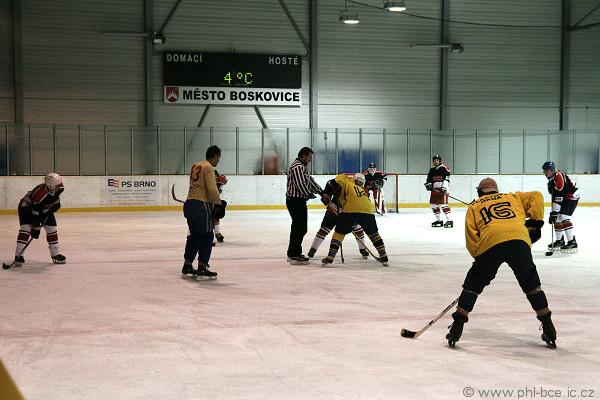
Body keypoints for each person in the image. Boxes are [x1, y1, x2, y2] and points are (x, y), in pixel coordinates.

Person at [445, 177, 556, 349]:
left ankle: (456, 328)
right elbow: (537, 196)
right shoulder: (512, 197)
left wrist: (480, 263)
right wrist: (535, 224)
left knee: (473, 285)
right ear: (496, 190)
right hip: (519, 240)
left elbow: (471, 238)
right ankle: (549, 327)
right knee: (531, 285)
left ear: (479, 192)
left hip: (491, 241)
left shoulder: (474, 206)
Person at [321, 173, 389, 267]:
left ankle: (329, 259)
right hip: (368, 210)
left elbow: (333, 183)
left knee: (339, 234)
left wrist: (328, 194)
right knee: (374, 235)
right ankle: (384, 257)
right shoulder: (362, 189)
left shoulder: (347, 182)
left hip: (350, 210)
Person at [182, 145, 227, 278]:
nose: (218, 161)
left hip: (189, 204)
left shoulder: (196, 165)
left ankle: (187, 265)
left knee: (194, 236)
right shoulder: (208, 167)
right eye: (219, 158)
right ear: (215, 156)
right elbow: (212, 188)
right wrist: (218, 203)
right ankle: (202, 266)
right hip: (201, 205)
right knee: (207, 236)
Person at [307, 173, 370, 260]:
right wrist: (326, 199)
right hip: (334, 208)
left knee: (358, 229)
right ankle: (312, 250)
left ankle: (362, 249)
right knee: (324, 229)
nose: (360, 184)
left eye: (361, 183)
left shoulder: (361, 189)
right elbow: (329, 188)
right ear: (354, 180)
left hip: (349, 211)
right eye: (358, 182)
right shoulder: (343, 183)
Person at [11, 172, 66, 266]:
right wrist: (36, 227)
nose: (60, 186)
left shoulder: (57, 188)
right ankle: (18, 256)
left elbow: (55, 198)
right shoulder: (39, 194)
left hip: (43, 209)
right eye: (57, 185)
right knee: (26, 229)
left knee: (52, 229)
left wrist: (56, 205)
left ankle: (55, 254)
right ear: (51, 185)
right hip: (27, 209)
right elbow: (36, 212)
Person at [285, 147, 323, 265]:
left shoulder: (302, 167)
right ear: (304, 156)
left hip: (298, 201)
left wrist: (322, 192)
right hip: (295, 201)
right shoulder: (297, 167)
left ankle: (292, 253)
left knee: (298, 227)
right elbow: (300, 184)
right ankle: (294, 255)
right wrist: (309, 194)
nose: (310, 159)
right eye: (309, 157)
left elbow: (310, 181)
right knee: (300, 228)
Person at [543, 161, 579, 252]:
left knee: (563, 216)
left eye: (547, 171)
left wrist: (554, 212)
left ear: (552, 170)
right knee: (557, 218)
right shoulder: (552, 178)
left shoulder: (558, 179)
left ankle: (572, 242)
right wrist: (554, 213)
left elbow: (559, 197)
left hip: (572, 195)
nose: (545, 173)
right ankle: (560, 241)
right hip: (565, 195)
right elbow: (556, 195)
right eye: (544, 171)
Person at [425, 155, 453, 228]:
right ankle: (439, 220)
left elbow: (446, 179)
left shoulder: (445, 168)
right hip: (434, 190)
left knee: (443, 204)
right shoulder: (432, 170)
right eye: (434, 160)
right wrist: (428, 184)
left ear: (440, 161)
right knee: (433, 205)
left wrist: (444, 188)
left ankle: (449, 220)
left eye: (437, 160)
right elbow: (429, 179)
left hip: (442, 189)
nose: (436, 162)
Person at [213, 171, 228, 244]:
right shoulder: (205, 181)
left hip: (213, 201)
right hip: (204, 201)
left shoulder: (218, 182)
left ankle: (217, 233)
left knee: (216, 215)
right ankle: (190, 233)